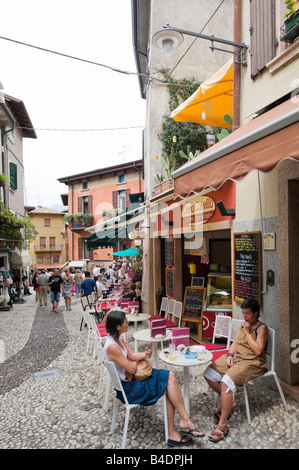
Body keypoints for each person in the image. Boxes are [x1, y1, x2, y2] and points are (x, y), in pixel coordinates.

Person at [104, 310, 205, 447]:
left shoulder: (118, 338)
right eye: (126, 322)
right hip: (130, 389)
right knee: (169, 385)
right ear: (118, 327)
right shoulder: (112, 347)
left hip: (133, 381)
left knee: (170, 376)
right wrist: (135, 364)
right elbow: (132, 369)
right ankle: (176, 429)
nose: (128, 324)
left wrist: (144, 355)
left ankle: (183, 420)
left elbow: (132, 356)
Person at [204, 298, 269, 443]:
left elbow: (259, 351)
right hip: (237, 358)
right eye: (243, 313)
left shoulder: (262, 328)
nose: (245, 316)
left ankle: (222, 425)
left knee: (227, 381)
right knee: (209, 372)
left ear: (256, 313)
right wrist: (229, 355)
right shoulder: (242, 325)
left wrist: (247, 333)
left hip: (252, 362)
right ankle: (230, 402)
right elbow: (235, 344)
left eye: (248, 313)